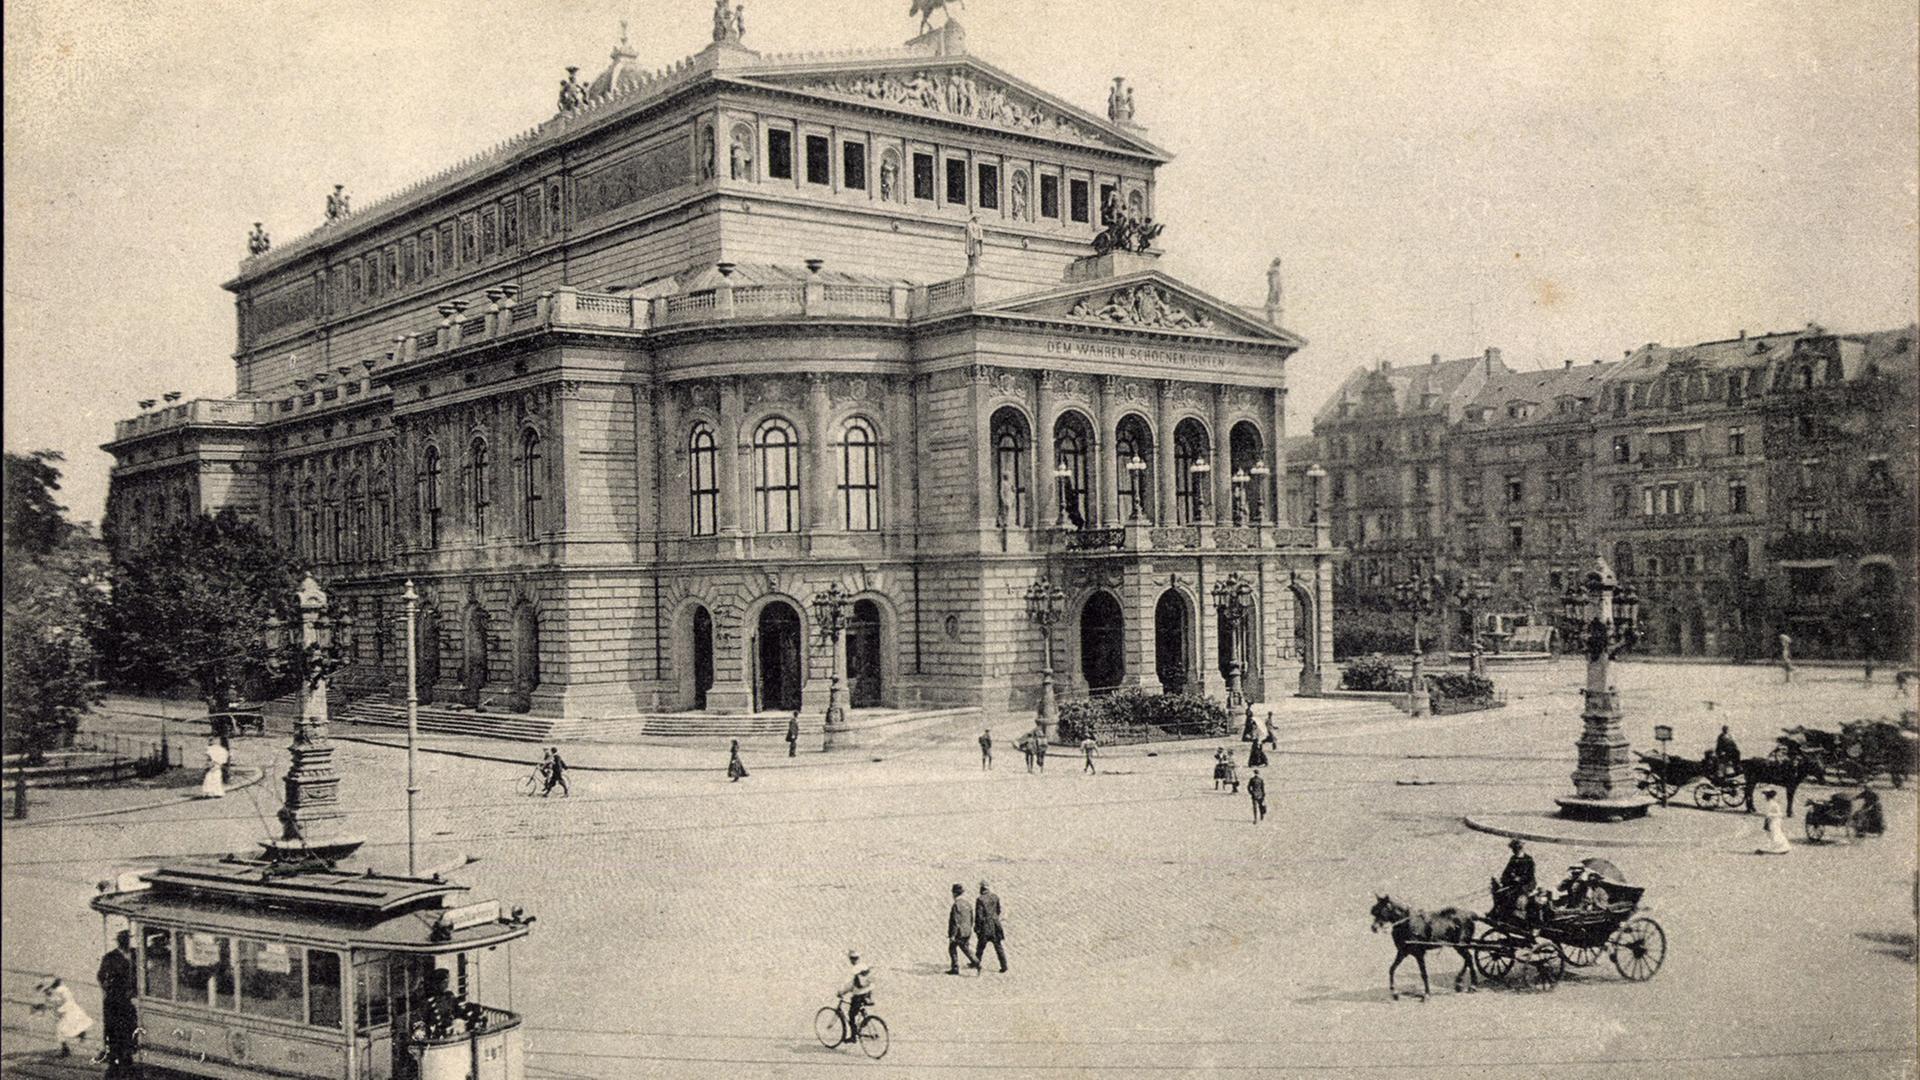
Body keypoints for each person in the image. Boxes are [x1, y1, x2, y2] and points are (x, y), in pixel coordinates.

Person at [96, 931, 137, 1069]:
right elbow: (101, 976)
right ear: (120, 942)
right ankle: (112, 1052)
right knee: (113, 1025)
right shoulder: (110, 957)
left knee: (129, 1023)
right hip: (115, 997)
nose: (127, 942)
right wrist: (108, 989)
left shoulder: (135, 954)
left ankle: (128, 1051)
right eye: (124, 940)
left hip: (129, 997)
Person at [34, 977, 93, 1057]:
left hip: (71, 1011)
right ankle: (68, 1045)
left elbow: (69, 1001)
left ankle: (67, 1048)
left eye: (47, 989)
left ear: (51, 986)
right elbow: (49, 1004)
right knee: (61, 1031)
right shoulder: (49, 996)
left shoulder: (62, 990)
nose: (46, 992)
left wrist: (60, 1009)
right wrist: (42, 1008)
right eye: (44, 991)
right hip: (60, 1014)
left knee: (63, 1029)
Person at [1492, 838, 1537, 922]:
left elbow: (1530, 875)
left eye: (1516, 849)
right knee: (1499, 893)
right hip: (1514, 883)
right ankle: (1499, 912)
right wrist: (1503, 879)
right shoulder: (1513, 858)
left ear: (1520, 848)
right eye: (1514, 849)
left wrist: (1519, 879)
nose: (1514, 851)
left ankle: (1514, 915)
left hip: (1527, 884)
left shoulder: (1528, 859)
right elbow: (1506, 872)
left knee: (1512, 895)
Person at [838, 950, 874, 1041]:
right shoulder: (864, 966)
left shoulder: (854, 970)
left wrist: (841, 992)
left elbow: (851, 985)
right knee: (859, 1008)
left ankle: (853, 1037)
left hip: (859, 994)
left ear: (850, 959)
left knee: (851, 1015)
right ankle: (865, 1020)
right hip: (868, 992)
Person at [974, 881, 1008, 972]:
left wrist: (977, 928)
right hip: (995, 925)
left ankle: (976, 963)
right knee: (998, 946)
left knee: (980, 947)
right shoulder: (995, 897)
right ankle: (1004, 966)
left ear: (981, 889)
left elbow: (979, 916)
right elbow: (998, 910)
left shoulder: (980, 899)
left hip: (985, 926)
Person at [947, 883, 980, 974]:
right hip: (967, 931)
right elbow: (971, 918)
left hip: (959, 932)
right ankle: (976, 962)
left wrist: (952, 935)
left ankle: (955, 968)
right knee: (965, 948)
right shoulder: (967, 904)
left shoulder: (956, 905)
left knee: (952, 948)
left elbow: (955, 921)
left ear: (954, 894)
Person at [1757, 788, 1791, 855]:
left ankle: (1782, 847)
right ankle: (1778, 847)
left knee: (1775, 833)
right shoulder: (1769, 803)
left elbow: (1779, 814)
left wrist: (1770, 815)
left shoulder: (1773, 804)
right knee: (1771, 833)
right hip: (1770, 820)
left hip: (1775, 820)